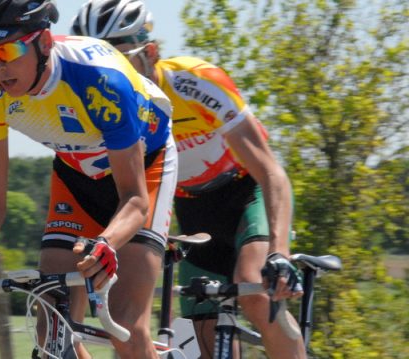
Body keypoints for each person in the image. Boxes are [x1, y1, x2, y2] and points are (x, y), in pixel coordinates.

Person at [0, 1, 179, 358]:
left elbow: (134, 198)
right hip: (76, 170)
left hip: (144, 165)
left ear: (45, 43)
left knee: (126, 324)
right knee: (51, 321)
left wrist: (106, 243)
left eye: (7, 51)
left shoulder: (100, 80)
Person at [71, 1, 306, 358]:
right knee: (200, 337)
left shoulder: (194, 81)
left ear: (150, 53)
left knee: (256, 294)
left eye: (120, 60)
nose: (109, 74)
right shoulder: (105, 108)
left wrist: (280, 252)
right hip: (192, 213)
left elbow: (271, 171)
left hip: (245, 195)